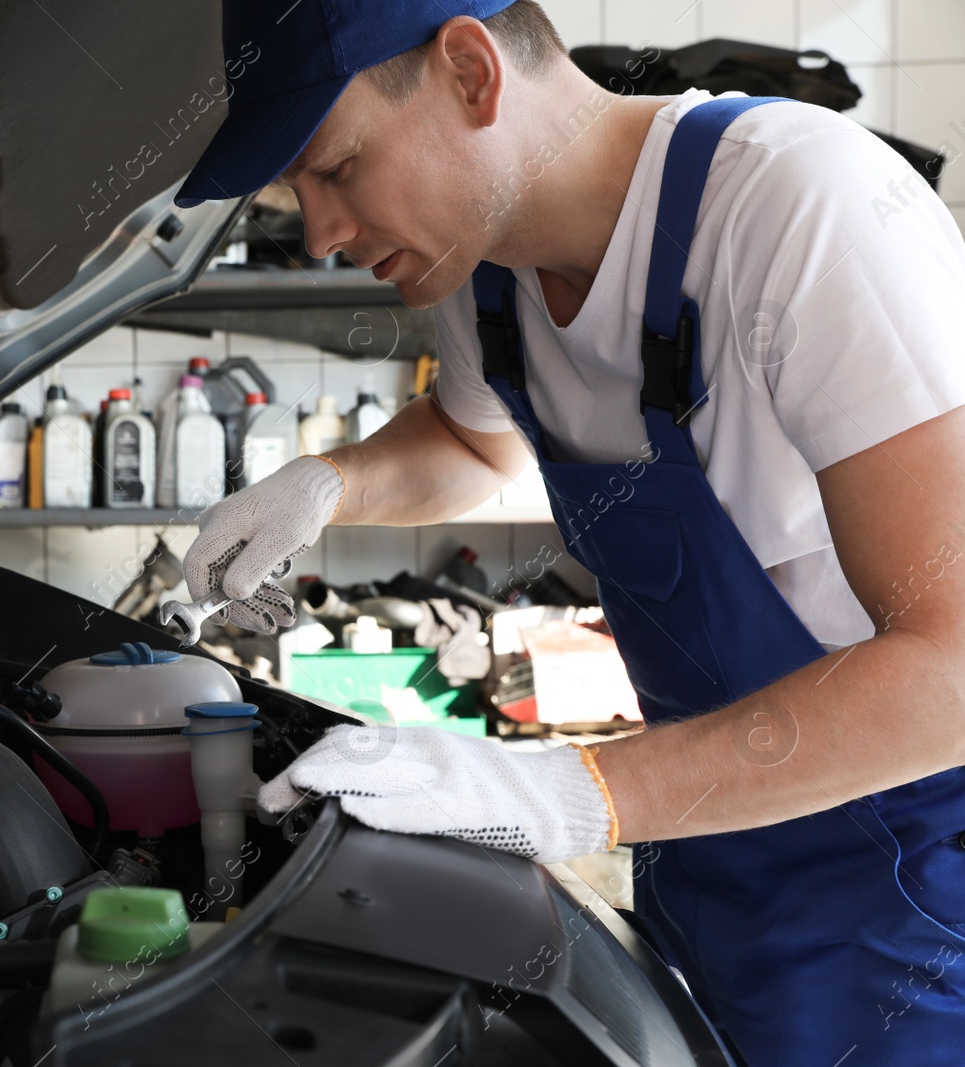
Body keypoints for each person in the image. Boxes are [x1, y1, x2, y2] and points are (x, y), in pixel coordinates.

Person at [172, 2, 965, 1064]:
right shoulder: (487, 270)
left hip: (917, 903)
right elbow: (473, 442)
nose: (317, 231)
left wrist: (573, 789)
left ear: (468, 72)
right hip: (706, 862)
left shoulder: (797, 208)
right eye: (294, 195)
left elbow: (952, 666)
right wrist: (326, 482)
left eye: (340, 167)